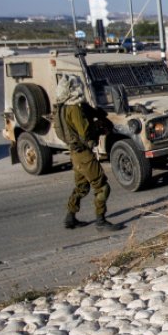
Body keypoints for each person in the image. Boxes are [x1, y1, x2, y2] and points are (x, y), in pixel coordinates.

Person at [54, 74, 123, 231]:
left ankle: (70, 217)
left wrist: (96, 114)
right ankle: (101, 221)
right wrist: (99, 128)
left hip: (75, 154)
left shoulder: (63, 106)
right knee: (102, 187)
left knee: (81, 187)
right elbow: (85, 133)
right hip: (84, 154)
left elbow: (87, 112)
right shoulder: (74, 109)